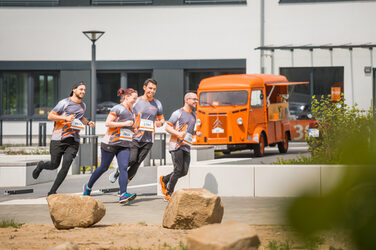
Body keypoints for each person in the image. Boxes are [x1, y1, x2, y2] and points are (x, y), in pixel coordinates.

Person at [32, 82, 95, 196]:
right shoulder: (64, 103)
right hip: (59, 138)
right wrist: (65, 118)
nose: (83, 92)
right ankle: (41, 165)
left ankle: (52, 191)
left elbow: (80, 117)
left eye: (84, 90)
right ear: (74, 90)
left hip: (73, 140)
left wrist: (88, 122)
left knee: (66, 166)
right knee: (54, 165)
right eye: (81, 89)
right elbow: (50, 115)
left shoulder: (83, 105)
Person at [83, 88, 138, 203]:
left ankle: (123, 194)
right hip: (110, 143)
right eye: (134, 98)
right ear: (127, 97)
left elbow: (128, 126)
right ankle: (88, 187)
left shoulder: (132, 111)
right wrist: (124, 123)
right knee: (103, 167)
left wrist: (133, 129)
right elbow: (108, 123)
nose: (135, 100)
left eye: (136, 98)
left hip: (124, 143)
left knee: (123, 168)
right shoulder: (117, 108)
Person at [109, 78, 164, 185]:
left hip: (148, 139)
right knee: (132, 159)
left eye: (154, 89)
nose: (152, 91)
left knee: (137, 163)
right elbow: (125, 112)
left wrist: (160, 123)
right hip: (133, 137)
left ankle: (123, 186)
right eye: (150, 88)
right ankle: (118, 171)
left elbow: (161, 119)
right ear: (144, 88)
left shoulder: (157, 103)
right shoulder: (136, 101)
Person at [159, 92, 200, 201]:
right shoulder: (177, 113)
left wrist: (196, 133)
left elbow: (188, 131)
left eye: (197, 99)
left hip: (186, 146)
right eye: (194, 99)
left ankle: (164, 179)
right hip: (176, 145)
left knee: (184, 171)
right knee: (178, 169)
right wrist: (177, 134)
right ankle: (168, 193)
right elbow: (167, 127)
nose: (196, 101)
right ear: (187, 100)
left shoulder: (194, 115)